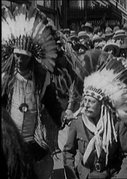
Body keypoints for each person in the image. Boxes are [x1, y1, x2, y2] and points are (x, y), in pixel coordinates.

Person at [63, 55, 127, 179]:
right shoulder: (78, 123)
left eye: (91, 102)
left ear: (103, 105)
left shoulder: (117, 125)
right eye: (84, 101)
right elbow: (68, 152)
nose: (86, 106)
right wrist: (72, 175)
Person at [2, 4, 65, 179]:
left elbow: (52, 104)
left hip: (33, 142)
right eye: (16, 55)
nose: (19, 59)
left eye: (23, 56)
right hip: (11, 142)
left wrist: (63, 117)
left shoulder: (41, 79)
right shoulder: (5, 79)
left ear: (31, 57)